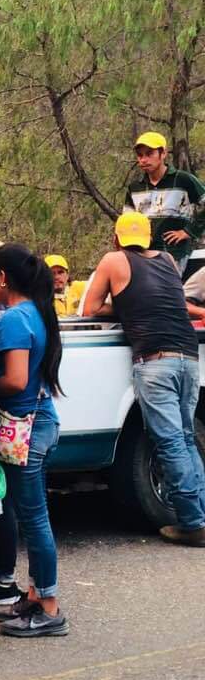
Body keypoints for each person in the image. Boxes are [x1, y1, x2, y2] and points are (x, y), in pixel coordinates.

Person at [84, 211, 205, 546]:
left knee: (169, 442)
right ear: (149, 237)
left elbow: (90, 308)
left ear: (117, 238)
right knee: (185, 437)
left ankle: (193, 524)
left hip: (155, 361)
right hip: (188, 357)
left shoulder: (114, 260)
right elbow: (174, 300)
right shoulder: (167, 259)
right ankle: (201, 517)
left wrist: (122, 305)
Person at [0, 244, 70, 637]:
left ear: (3, 277)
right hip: (42, 422)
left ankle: (49, 606)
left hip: (26, 428)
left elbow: (16, 380)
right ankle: (36, 594)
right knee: (33, 514)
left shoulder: (13, 319)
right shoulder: (37, 312)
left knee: (35, 518)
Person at [125, 131, 205, 276]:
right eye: (140, 155)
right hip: (142, 254)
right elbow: (127, 222)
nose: (143, 160)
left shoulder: (183, 180)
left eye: (149, 154)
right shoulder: (135, 188)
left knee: (163, 291)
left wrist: (189, 231)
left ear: (163, 153)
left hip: (175, 253)